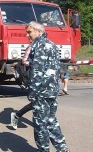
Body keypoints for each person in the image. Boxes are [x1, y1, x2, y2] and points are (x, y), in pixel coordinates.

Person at [26, 21, 69, 152]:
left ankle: (43, 150)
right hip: (52, 90)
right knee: (51, 121)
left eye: (30, 32)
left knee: (40, 125)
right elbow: (56, 69)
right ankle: (62, 149)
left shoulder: (38, 45)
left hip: (41, 92)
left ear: (39, 32)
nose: (27, 35)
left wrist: (32, 93)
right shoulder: (53, 45)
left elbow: (37, 72)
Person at [11, 44, 32, 130]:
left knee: (46, 103)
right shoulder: (31, 47)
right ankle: (17, 115)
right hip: (34, 79)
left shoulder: (48, 46)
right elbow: (24, 61)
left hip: (46, 80)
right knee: (36, 103)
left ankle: (17, 115)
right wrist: (38, 64)